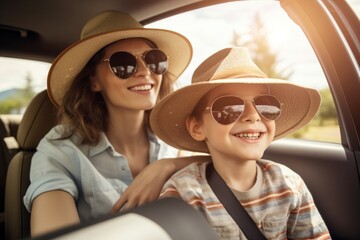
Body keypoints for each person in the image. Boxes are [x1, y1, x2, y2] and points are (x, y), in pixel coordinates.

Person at [23, 10, 208, 237]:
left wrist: (167, 166)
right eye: (123, 63)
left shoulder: (172, 137)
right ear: (94, 81)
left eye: (153, 60)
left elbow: (230, 162)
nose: (144, 72)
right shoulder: (60, 150)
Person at [151, 47, 331, 239]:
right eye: (229, 107)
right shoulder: (184, 192)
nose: (253, 116)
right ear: (197, 127)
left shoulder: (289, 183)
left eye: (265, 105)